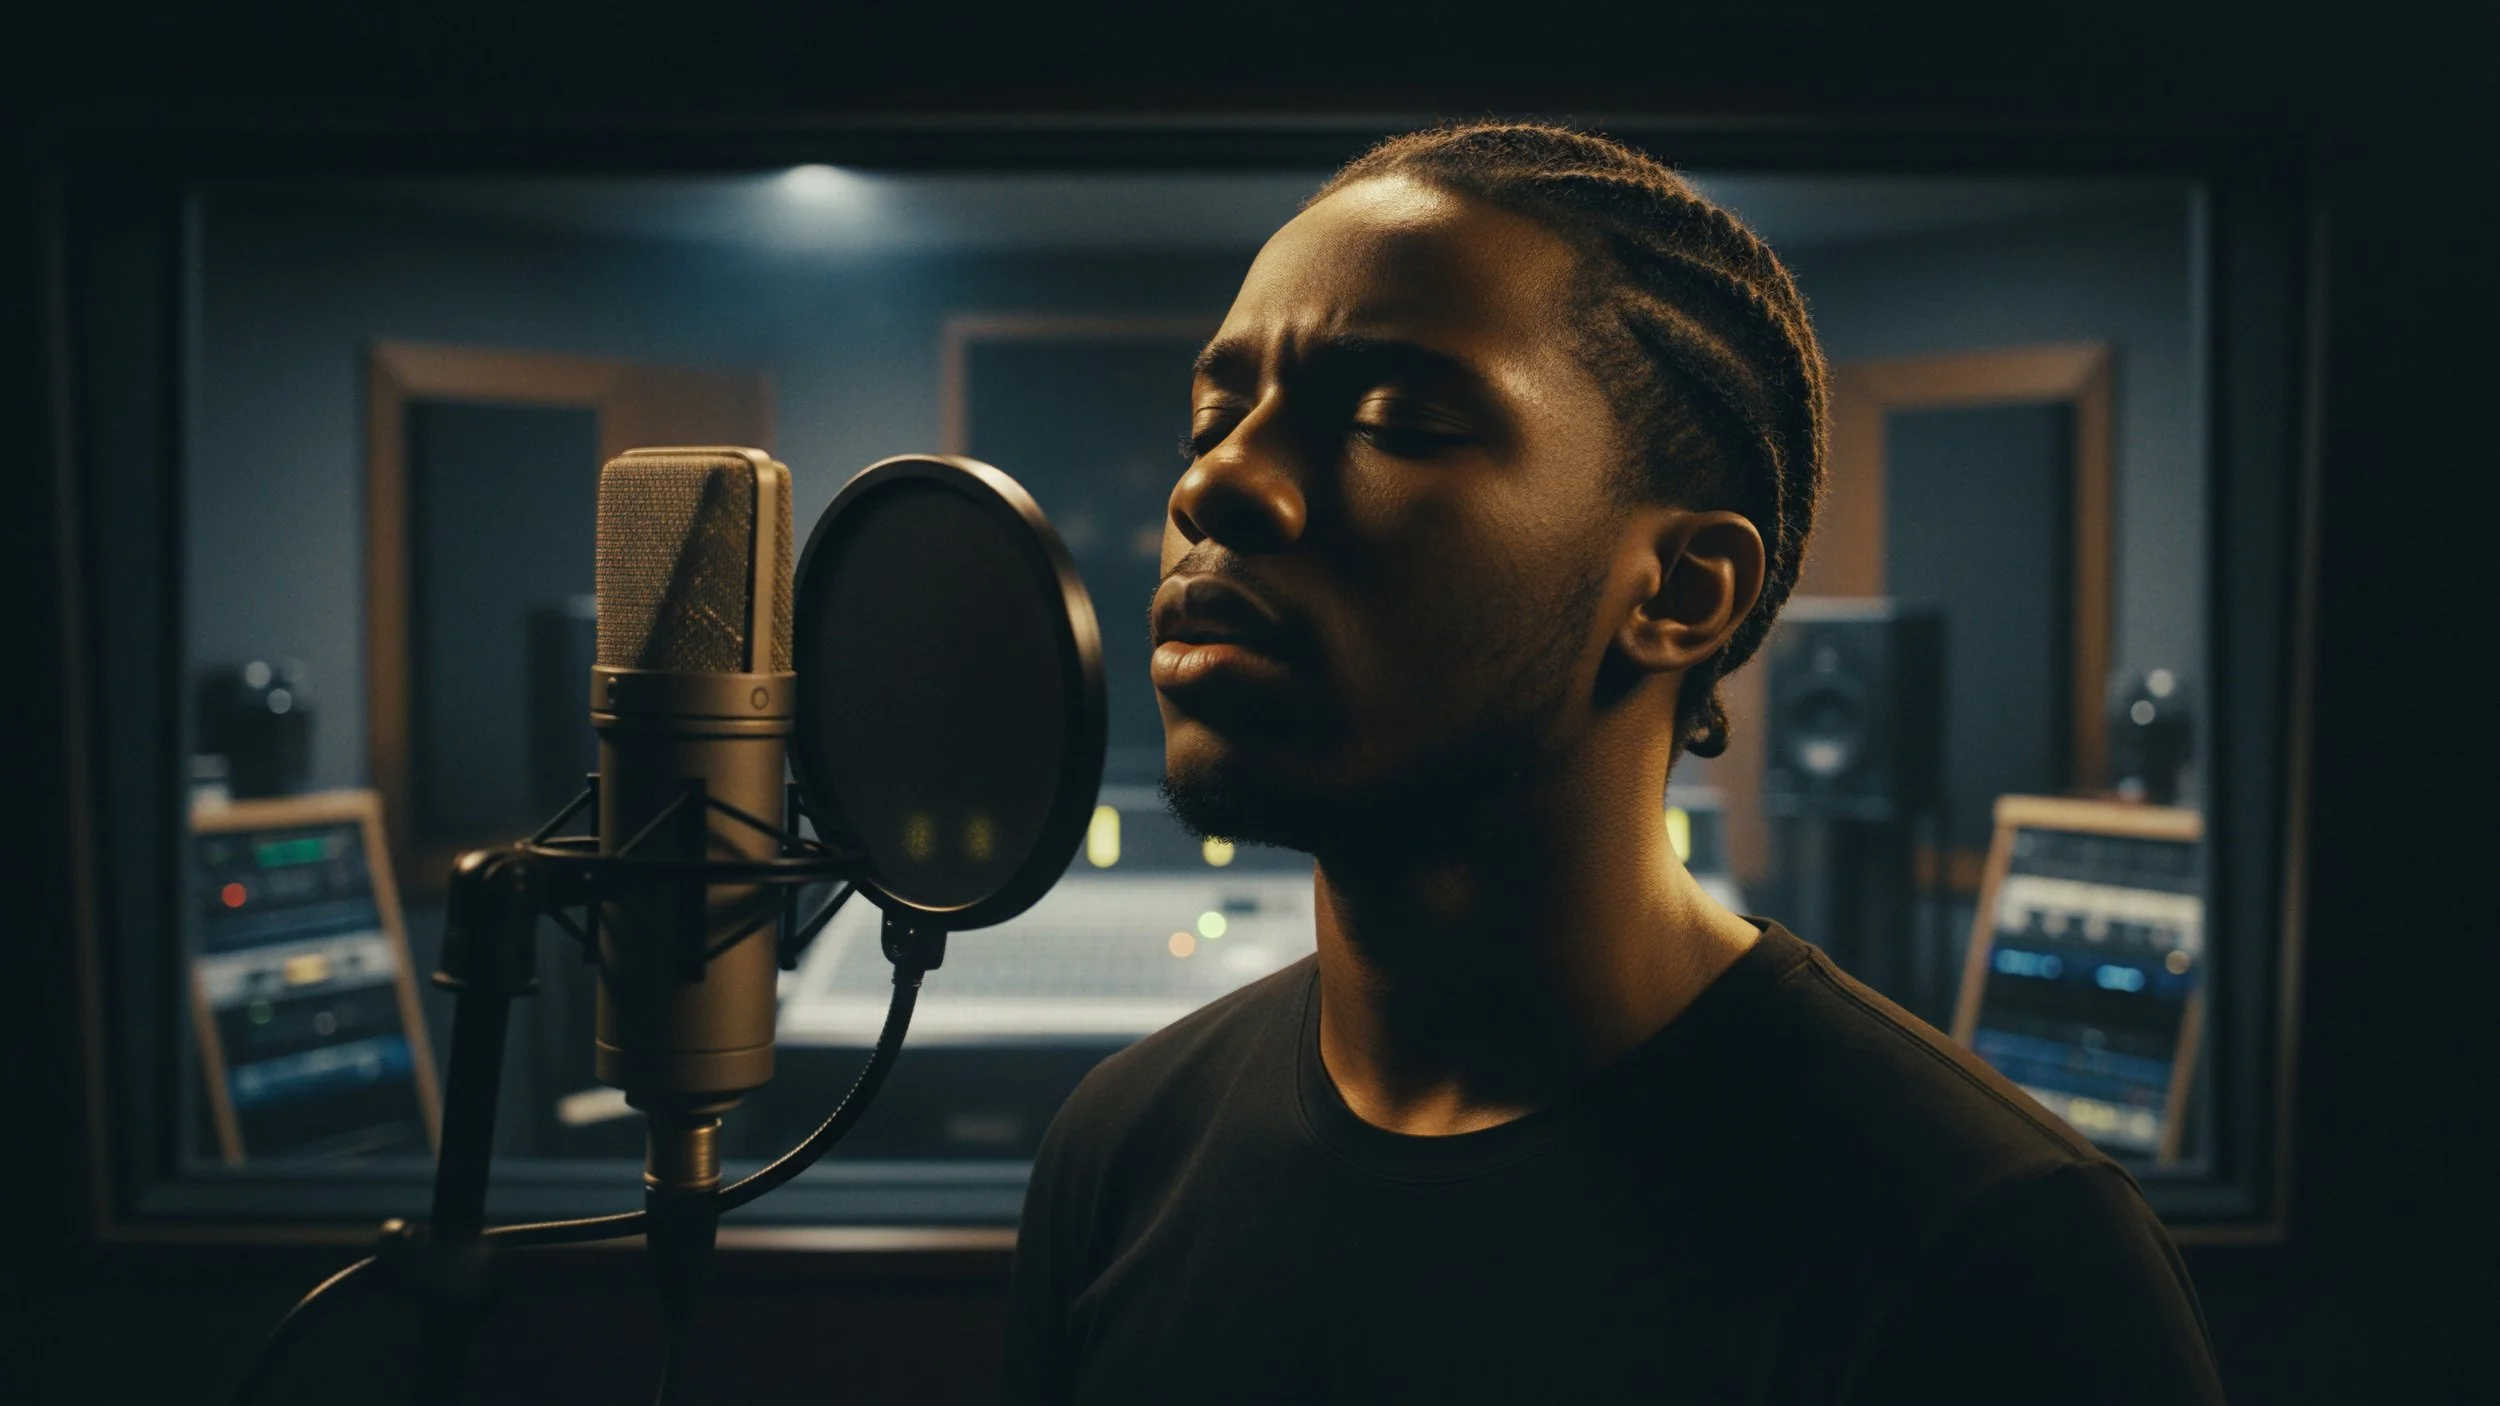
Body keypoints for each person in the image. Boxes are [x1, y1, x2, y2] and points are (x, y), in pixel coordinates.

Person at [1002, 122, 2224, 1405]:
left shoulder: (1998, 1251)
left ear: (1681, 590)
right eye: (1212, 418)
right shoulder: (1119, 1150)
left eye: (1391, 419)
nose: (1217, 484)